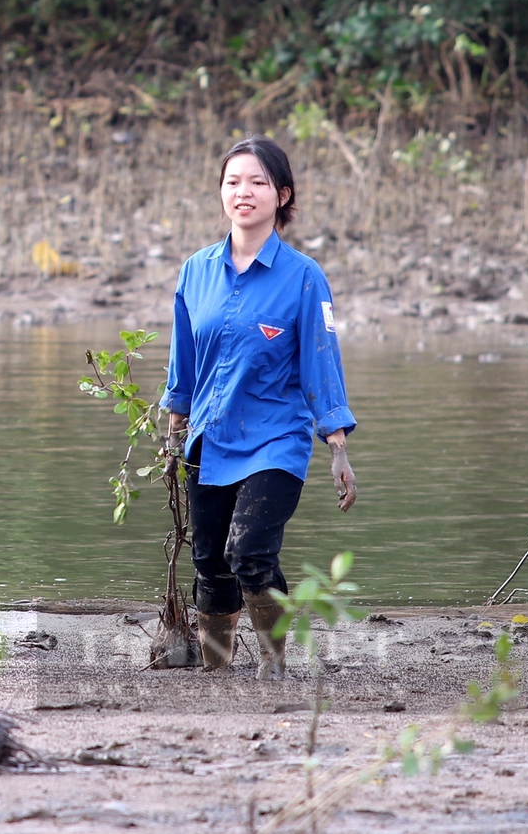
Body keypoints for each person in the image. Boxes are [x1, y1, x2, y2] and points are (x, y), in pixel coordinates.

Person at [160, 135, 358, 679]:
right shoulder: (195, 271)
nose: (242, 192)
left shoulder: (302, 277)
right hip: (209, 434)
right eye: (232, 182)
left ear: (281, 195)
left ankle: (274, 663)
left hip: (276, 440)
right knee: (209, 565)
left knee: (247, 553)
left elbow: (323, 361)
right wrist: (175, 425)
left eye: (257, 182)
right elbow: (183, 356)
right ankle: (215, 666)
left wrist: (336, 445)